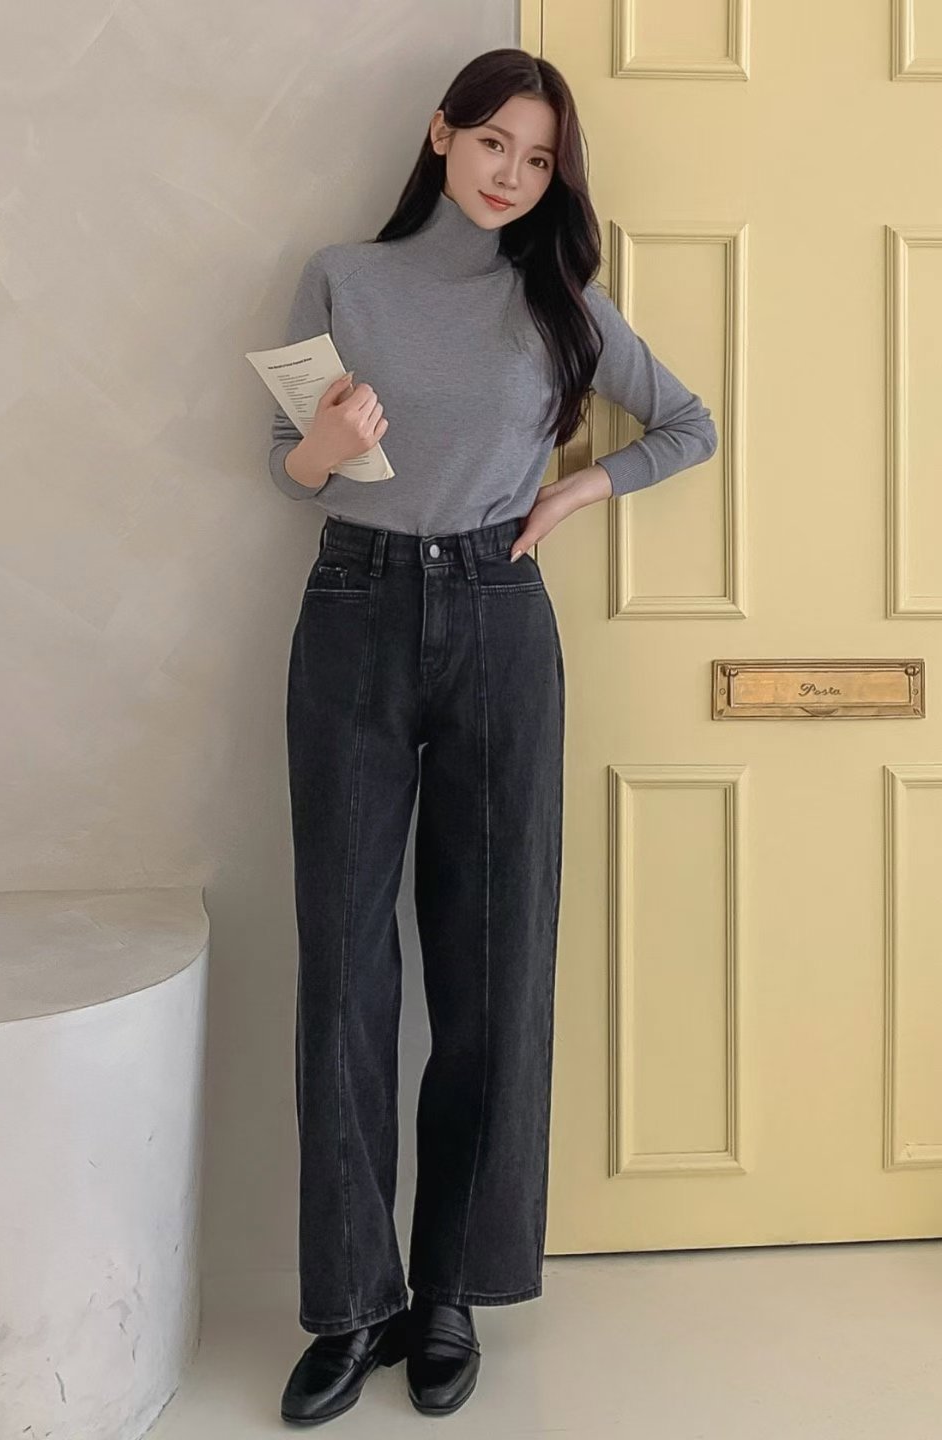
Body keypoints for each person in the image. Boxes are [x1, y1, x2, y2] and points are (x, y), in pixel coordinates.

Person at [272, 47, 718, 1426]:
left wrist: (576, 494)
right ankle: (352, 1303)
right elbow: (287, 470)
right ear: (441, 135)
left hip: (498, 614)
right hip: (353, 607)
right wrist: (327, 442)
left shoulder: (560, 299)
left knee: (491, 964)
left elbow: (688, 425)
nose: (511, 176)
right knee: (345, 968)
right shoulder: (343, 279)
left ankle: (451, 1290)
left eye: (537, 160)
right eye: (492, 145)